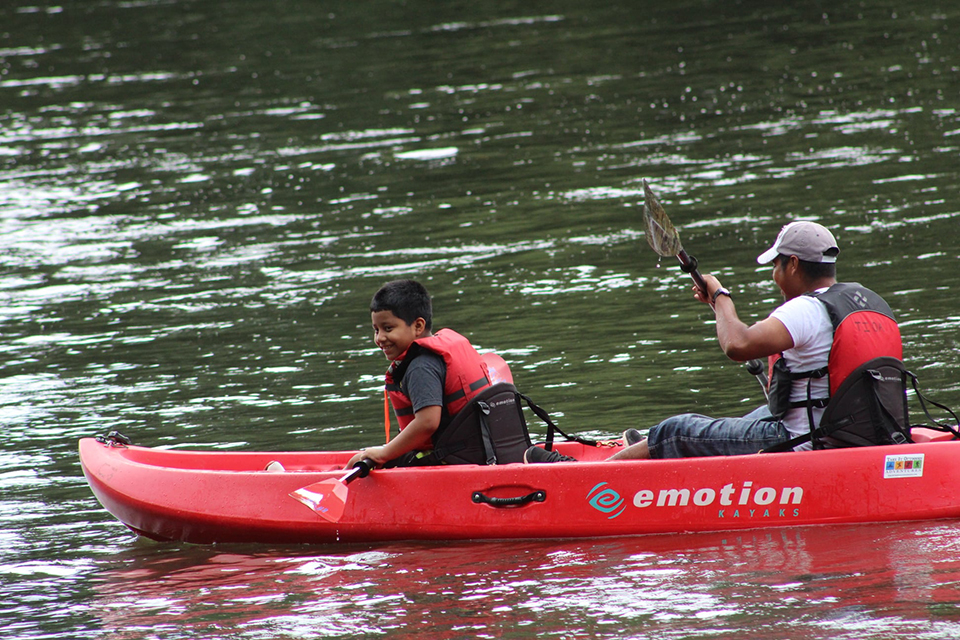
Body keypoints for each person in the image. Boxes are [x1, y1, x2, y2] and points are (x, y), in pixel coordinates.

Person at [524, 220, 903, 463]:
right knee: (744, 419)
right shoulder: (864, 301)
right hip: (849, 428)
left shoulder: (805, 310)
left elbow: (737, 345)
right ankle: (641, 449)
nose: (774, 273)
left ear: (791, 265)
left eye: (775, 265)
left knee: (678, 430)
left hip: (807, 440)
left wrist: (721, 295)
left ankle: (592, 476)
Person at [347, 279, 493, 468]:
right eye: (376, 330)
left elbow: (427, 423)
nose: (380, 338)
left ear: (418, 326)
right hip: (481, 452)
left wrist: (384, 453)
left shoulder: (420, 367)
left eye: (388, 328)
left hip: (452, 461)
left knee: (356, 462)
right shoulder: (439, 351)